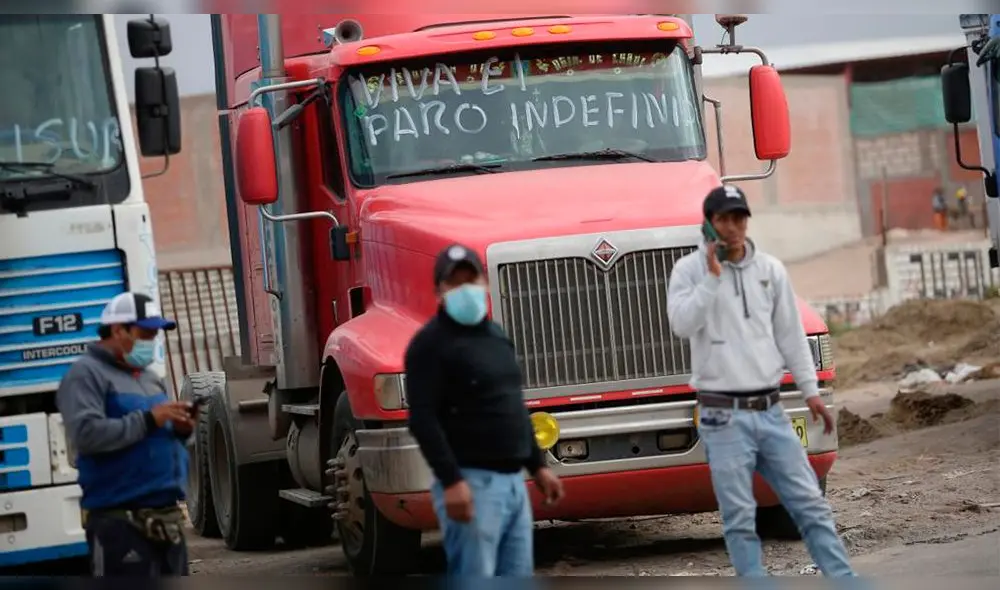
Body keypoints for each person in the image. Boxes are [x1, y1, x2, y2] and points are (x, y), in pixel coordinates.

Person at [666, 185, 855, 578]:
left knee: (809, 503)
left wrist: (810, 392)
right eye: (724, 219)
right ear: (709, 224)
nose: (733, 227)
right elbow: (681, 324)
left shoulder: (770, 271)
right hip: (722, 416)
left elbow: (790, 335)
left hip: (770, 412)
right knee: (738, 516)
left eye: (739, 218)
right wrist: (712, 280)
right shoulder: (688, 271)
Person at [404, 243, 565, 576]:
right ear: (439, 291)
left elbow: (513, 405)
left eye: (471, 280)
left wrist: (538, 466)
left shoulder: (496, 337)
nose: (466, 289)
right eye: (455, 282)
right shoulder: (429, 346)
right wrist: (451, 481)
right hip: (471, 485)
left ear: (485, 284)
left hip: (513, 486)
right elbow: (422, 418)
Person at [56, 292, 196, 577]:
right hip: (121, 527)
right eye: (145, 333)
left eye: (155, 334)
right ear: (118, 330)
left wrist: (182, 431)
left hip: (166, 523)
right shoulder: (85, 375)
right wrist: (149, 419)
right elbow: (87, 435)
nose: (151, 340)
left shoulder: (148, 378)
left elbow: (156, 432)